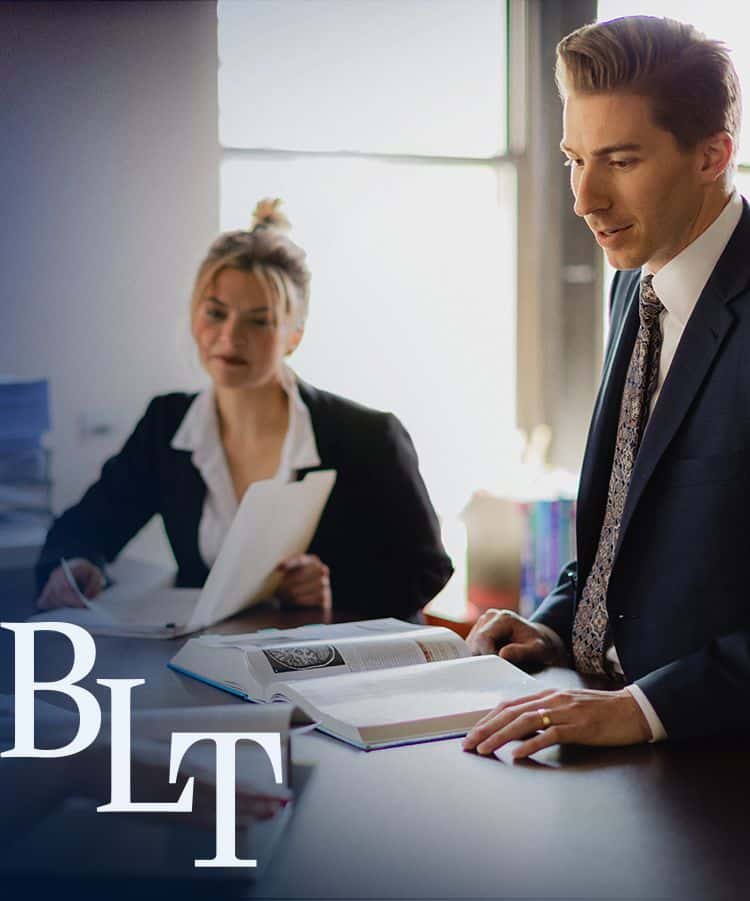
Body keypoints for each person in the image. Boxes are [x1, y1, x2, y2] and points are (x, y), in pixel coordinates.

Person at [463, 15, 749, 758]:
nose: (584, 198)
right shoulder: (636, 285)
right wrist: (555, 622)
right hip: (602, 746)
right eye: (572, 158)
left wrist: (643, 708)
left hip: (714, 774)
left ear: (713, 155)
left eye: (619, 161)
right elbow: (629, 508)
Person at [36, 199, 452, 617]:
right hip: (214, 663)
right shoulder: (168, 425)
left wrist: (334, 592)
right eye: (216, 313)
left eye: (258, 321)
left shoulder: (367, 436)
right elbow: (83, 528)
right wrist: (76, 566)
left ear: (294, 336)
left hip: (337, 668)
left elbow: (425, 568)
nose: (230, 338)